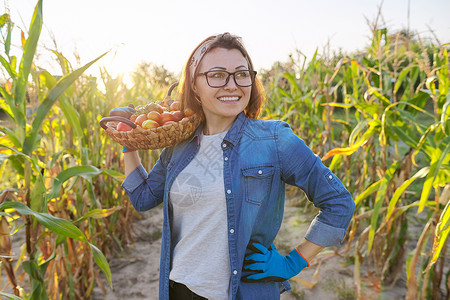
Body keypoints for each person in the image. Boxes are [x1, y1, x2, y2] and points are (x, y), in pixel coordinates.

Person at [116, 32, 355, 300]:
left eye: (241, 74)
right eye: (217, 75)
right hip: (178, 289)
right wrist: (129, 143)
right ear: (194, 85)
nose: (232, 85)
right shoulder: (179, 145)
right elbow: (142, 198)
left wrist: (293, 262)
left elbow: (339, 203)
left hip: (241, 292)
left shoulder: (273, 139)